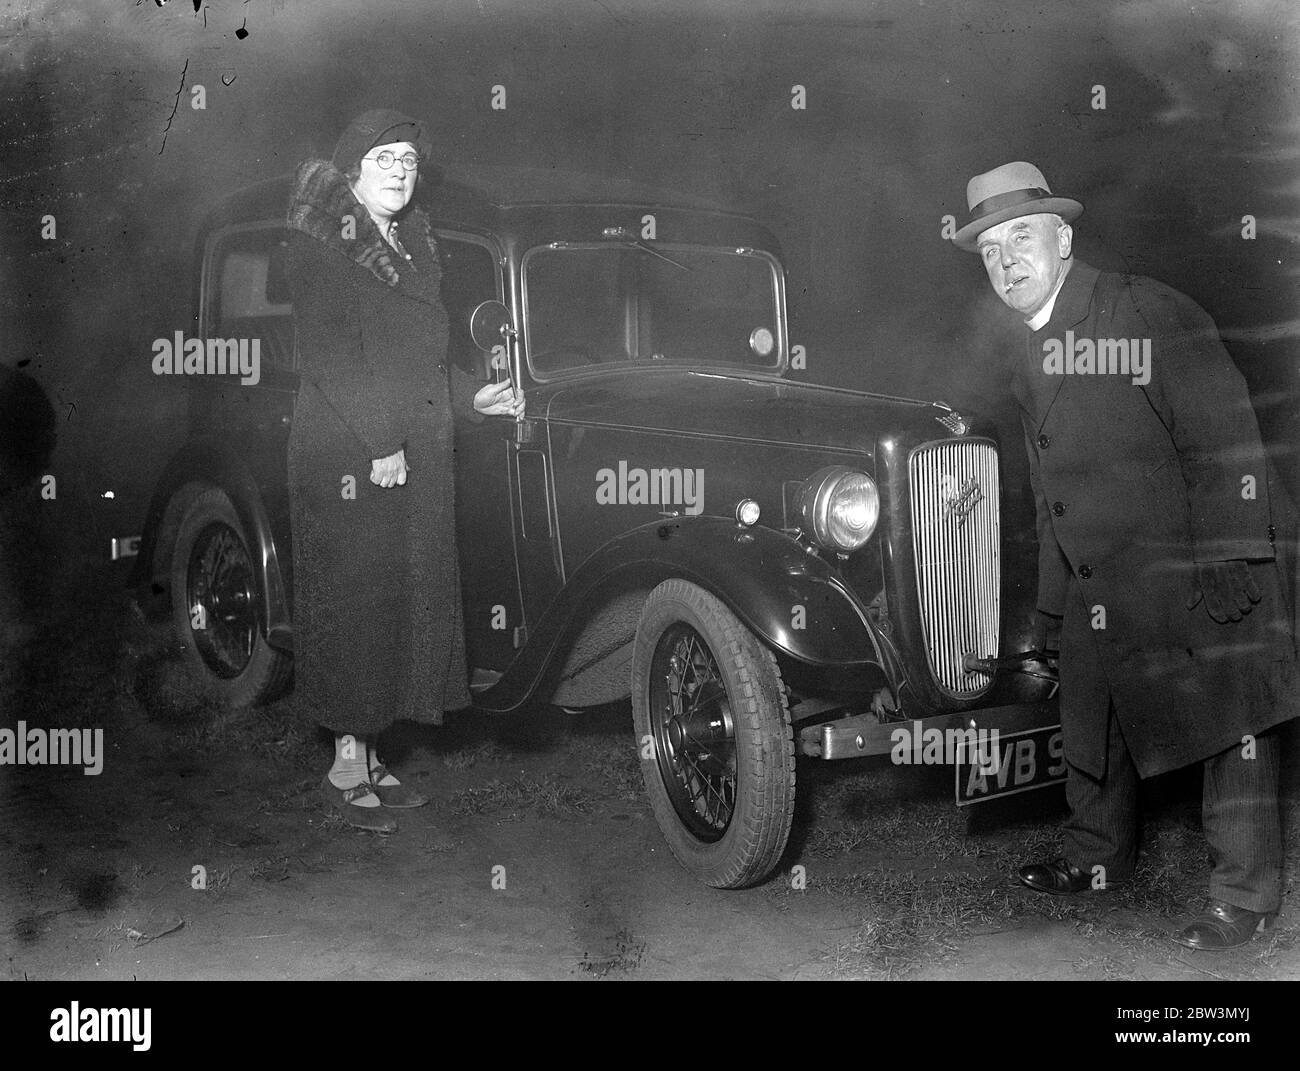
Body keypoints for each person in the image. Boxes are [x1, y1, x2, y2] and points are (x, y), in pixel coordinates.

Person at [951, 160, 1298, 949]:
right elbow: (1051, 496)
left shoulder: (1141, 308)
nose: (1007, 261)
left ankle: (1245, 895)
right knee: (1090, 702)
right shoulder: (1026, 351)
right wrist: (1045, 611)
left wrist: (1233, 554)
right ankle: (1097, 855)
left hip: (1203, 544)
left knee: (1231, 711)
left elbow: (1225, 432)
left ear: (1063, 238)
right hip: (1104, 563)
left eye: (1021, 237)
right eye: (990, 250)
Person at [285, 109, 523, 833]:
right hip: (348, 456)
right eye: (382, 157)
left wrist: (470, 396)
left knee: (398, 600)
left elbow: (418, 362)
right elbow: (331, 357)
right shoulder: (321, 245)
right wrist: (382, 443)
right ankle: (346, 765)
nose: (398, 169)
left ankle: (373, 753)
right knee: (356, 606)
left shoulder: (415, 248)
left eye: (408, 160)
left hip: (404, 451)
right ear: (351, 172)